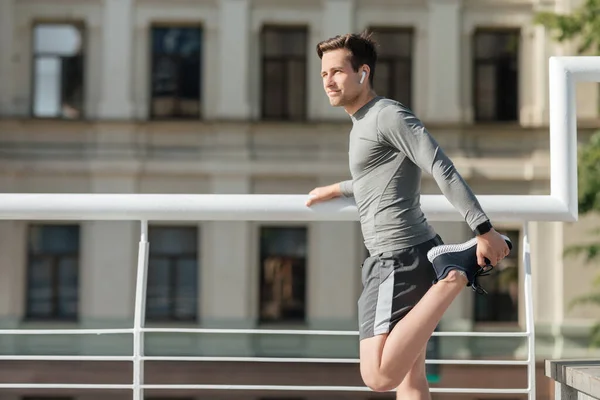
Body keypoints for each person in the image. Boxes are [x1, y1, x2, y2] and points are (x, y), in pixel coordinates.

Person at [305, 31, 511, 399]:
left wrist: (483, 229)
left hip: (397, 259)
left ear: (363, 73)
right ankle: (452, 268)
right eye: (323, 74)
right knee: (411, 378)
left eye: (337, 72)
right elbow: (374, 178)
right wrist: (337, 189)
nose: (328, 81)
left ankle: (457, 272)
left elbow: (440, 166)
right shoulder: (364, 122)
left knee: (379, 375)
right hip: (411, 253)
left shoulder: (388, 115)